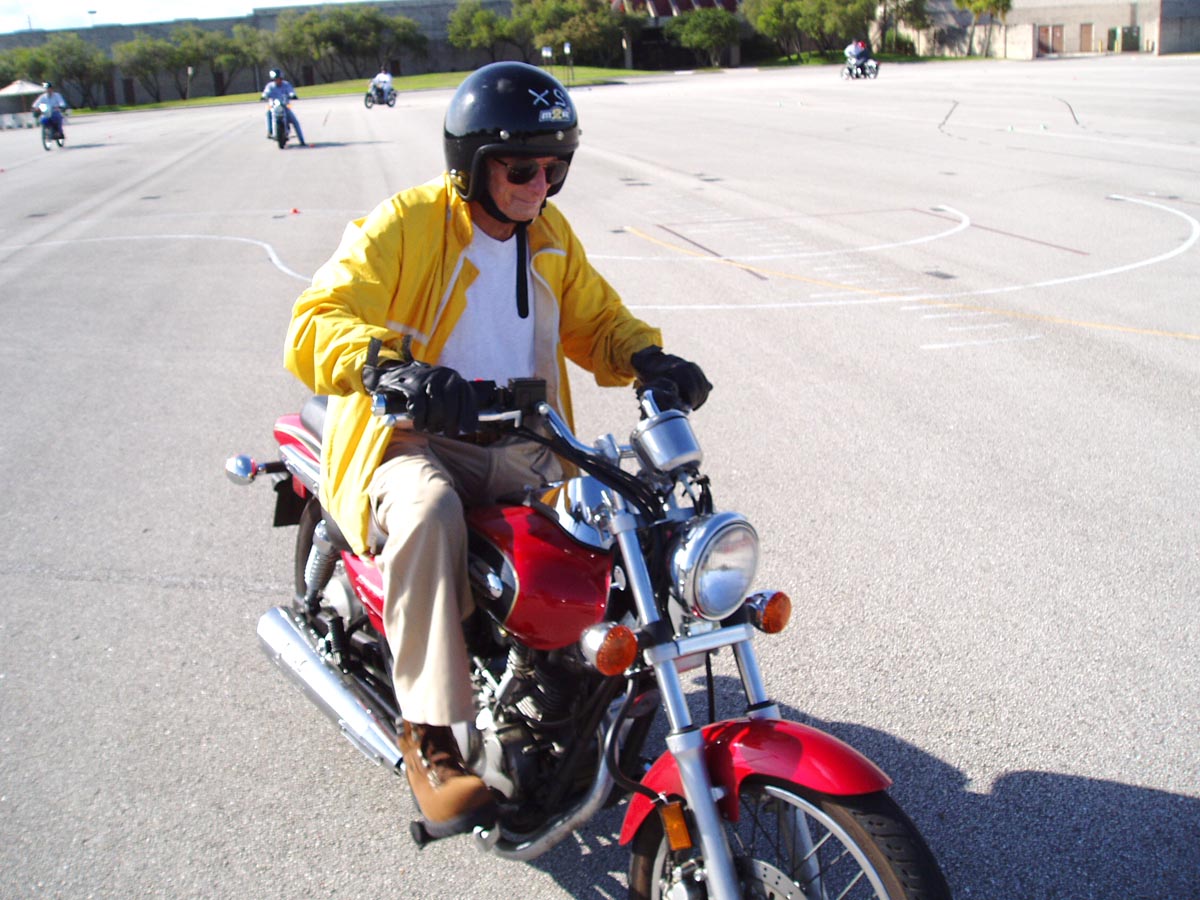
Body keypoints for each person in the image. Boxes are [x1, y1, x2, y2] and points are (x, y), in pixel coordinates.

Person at [283, 61, 710, 838]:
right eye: (521, 169)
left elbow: (596, 319)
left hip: (520, 439)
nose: (539, 185)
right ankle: (430, 737)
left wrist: (648, 358)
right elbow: (318, 318)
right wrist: (387, 367)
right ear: (473, 164)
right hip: (410, 436)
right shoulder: (408, 223)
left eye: (555, 167)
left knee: (611, 520)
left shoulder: (548, 234)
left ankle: (574, 681)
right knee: (427, 512)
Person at [261, 69, 306, 146]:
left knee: (295, 122)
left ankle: (302, 140)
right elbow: (266, 92)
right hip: (274, 107)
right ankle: (270, 131)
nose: (278, 81)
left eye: (279, 79)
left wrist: (292, 95)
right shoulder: (270, 86)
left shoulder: (286, 84)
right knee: (268, 114)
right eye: (276, 79)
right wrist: (264, 96)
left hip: (285, 107)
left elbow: (290, 91)